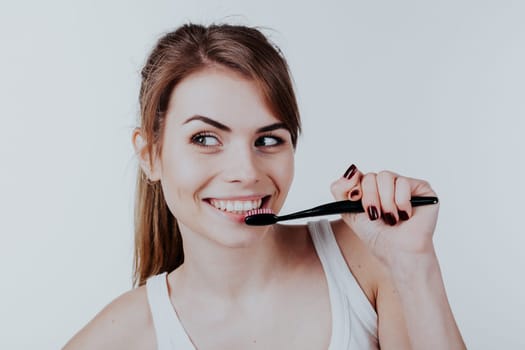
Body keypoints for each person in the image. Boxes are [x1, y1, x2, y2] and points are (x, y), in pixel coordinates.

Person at [63, 23, 466, 349]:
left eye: (268, 139)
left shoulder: (366, 263)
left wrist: (415, 263)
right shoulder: (119, 337)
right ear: (150, 154)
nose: (246, 171)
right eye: (205, 139)